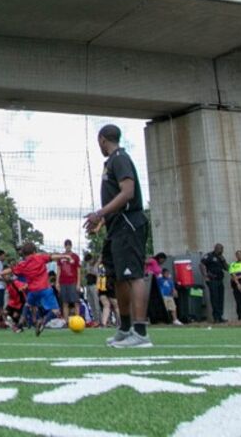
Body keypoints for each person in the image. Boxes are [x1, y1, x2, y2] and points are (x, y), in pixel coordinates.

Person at [84, 123, 152, 348]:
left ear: (102, 139)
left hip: (129, 225)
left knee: (134, 275)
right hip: (115, 227)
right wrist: (102, 221)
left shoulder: (120, 158)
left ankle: (140, 333)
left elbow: (128, 192)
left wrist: (99, 213)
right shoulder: (111, 162)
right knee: (119, 277)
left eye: (99, 142)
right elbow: (116, 198)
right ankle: (124, 328)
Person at [0, 243, 74, 336]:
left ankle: (20, 324)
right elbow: (53, 257)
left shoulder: (23, 264)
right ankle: (43, 321)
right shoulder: (40, 258)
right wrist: (66, 256)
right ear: (34, 251)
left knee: (28, 305)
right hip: (45, 288)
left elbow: (10, 270)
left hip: (32, 291)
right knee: (56, 311)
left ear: (24, 254)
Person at [201, 243, 229, 324]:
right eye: (220, 249)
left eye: (222, 249)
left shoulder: (221, 258)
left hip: (220, 280)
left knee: (220, 298)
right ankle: (216, 317)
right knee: (214, 298)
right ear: (216, 248)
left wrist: (223, 260)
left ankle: (220, 316)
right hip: (212, 280)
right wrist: (205, 275)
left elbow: (227, 268)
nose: (221, 251)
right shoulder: (209, 256)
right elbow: (202, 264)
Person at [57, 239, 81, 320]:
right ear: (64, 246)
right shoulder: (61, 257)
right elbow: (59, 269)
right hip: (63, 282)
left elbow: (78, 270)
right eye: (66, 245)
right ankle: (66, 321)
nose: (68, 247)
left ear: (71, 246)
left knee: (76, 302)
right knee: (65, 302)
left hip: (73, 282)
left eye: (69, 245)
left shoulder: (75, 257)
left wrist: (78, 283)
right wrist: (57, 282)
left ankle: (77, 320)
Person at [84, 253, 100, 326]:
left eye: (89, 261)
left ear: (92, 259)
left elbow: (98, 275)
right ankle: (95, 320)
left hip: (94, 285)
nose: (88, 262)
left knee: (96, 303)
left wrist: (97, 286)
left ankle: (99, 320)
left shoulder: (96, 265)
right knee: (91, 303)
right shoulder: (87, 265)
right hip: (88, 285)